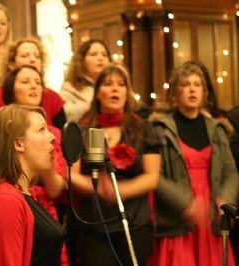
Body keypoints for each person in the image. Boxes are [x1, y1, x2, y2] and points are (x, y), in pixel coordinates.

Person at [70, 63, 160, 265]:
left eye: (121, 85)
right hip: (93, 224)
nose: (115, 89)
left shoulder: (143, 129)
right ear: (97, 93)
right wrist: (100, 189)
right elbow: (72, 176)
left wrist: (118, 191)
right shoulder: (81, 129)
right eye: (108, 84)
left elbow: (152, 177)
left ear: (127, 93)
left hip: (134, 222)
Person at [151, 63, 238, 266]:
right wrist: (185, 203)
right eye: (186, 84)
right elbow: (155, 176)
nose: (192, 89)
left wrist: (225, 201)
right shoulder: (161, 129)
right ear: (175, 92)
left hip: (212, 216)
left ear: (204, 92)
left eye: (197, 84)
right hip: (180, 218)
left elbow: (231, 172)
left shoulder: (217, 129)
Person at [0, 104, 64, 265]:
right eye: (42, 130)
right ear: (19, 144)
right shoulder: (6, 201)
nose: (53, 137)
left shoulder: (21, 195)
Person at [0, 37, 66, 129]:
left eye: (37, 56)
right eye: (25, 56)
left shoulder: (52, 97)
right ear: (11, 64)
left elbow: (63, 137)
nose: (32, 60)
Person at [60, 39, 111, 123]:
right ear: (81, 60)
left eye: (104, 55)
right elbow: (65, 114)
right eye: (93, 54)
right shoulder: (70, 87)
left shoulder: (117, 86)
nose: (100, 58)